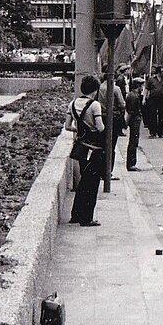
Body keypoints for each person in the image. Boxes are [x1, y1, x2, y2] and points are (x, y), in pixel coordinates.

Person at [66, 76, 106, 227]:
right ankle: (86, 218)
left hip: (81, 147)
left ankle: (75, 215)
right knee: (92, 183)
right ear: (95, 90)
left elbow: (67, 126)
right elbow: (100, 127)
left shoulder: (72, 103)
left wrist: (80, 130)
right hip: (94, 148)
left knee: (84, 180)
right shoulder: (95, 105)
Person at [125, 77, 144, 171]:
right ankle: (131, 163)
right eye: (141, 86)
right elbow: (132, 111)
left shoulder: (131, 95)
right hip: (134, 120)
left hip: (134, 119)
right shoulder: (134, 96)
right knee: (133, 141)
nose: (142, 88)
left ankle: (131, 163)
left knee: (133, 141)